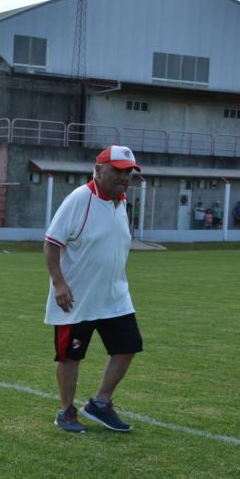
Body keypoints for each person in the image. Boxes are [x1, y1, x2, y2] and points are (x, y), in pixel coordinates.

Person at [44, 145, 142, 434]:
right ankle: (66, 412)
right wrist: (59, 283)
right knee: (70, 356)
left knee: (128, 346)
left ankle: (100, 403)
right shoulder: (79, 198)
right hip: (76, 298)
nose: (124, 178)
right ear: (98, 170)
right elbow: (52, 243)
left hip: (115, 296)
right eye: (118, 171)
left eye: (129, 173)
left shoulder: (121, 202)